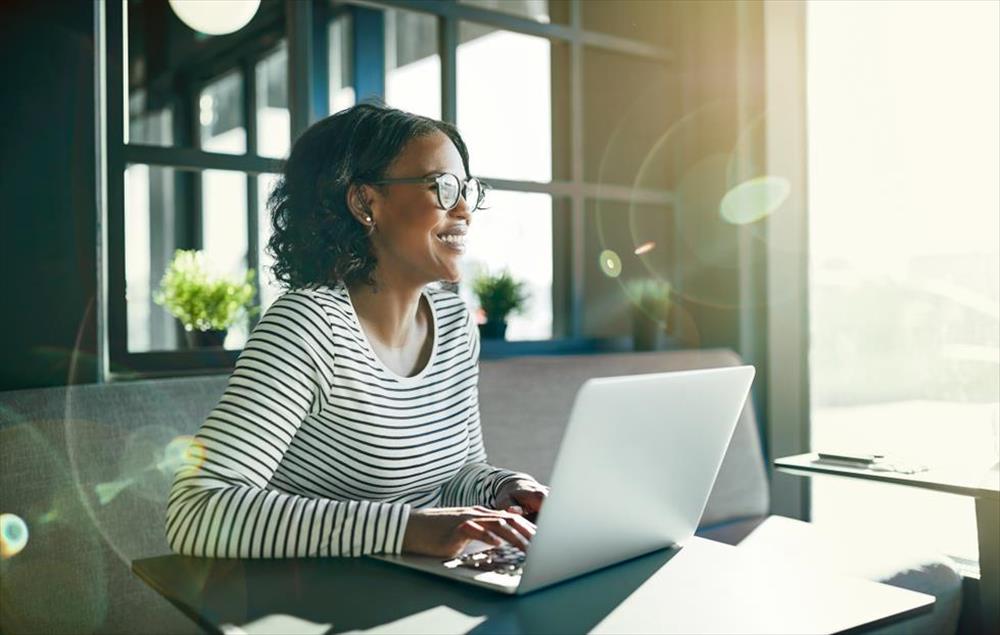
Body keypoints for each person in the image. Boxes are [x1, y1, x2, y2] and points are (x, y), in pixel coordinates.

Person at [165, 102, 549, 560]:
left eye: (467, 188)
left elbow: (455, 473)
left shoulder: (454, 324)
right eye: (443, 187)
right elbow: (196, 509)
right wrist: (407, 529)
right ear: (365, 203)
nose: (465, 209)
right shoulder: (306, 326)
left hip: (421, 587)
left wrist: (504, 489)